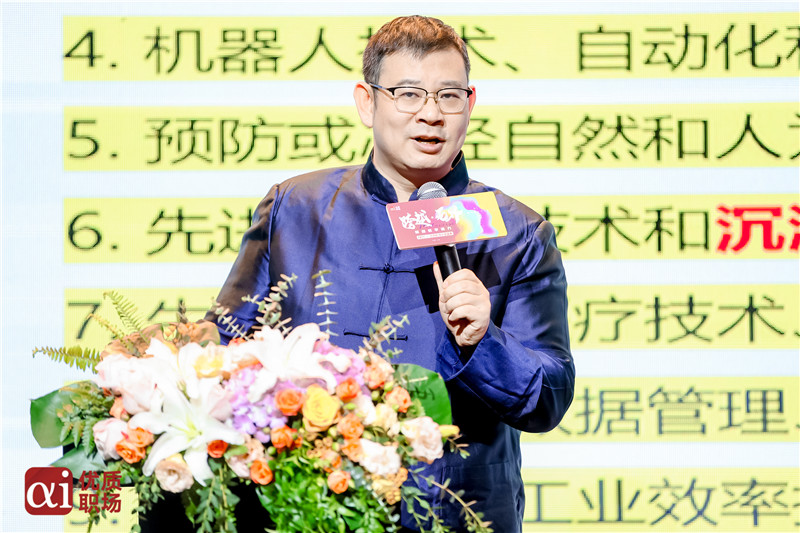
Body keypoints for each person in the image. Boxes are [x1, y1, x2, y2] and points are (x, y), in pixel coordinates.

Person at [206, 15, 575, 532]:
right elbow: (225, 344)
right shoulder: (296, 207)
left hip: (450, 516)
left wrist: (482, 342)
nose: (431, 114)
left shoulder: (518, 233)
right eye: (408, 94)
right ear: (367, 102)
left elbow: (548, 398)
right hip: (303, 509)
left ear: (469, 105)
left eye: (449, 96)